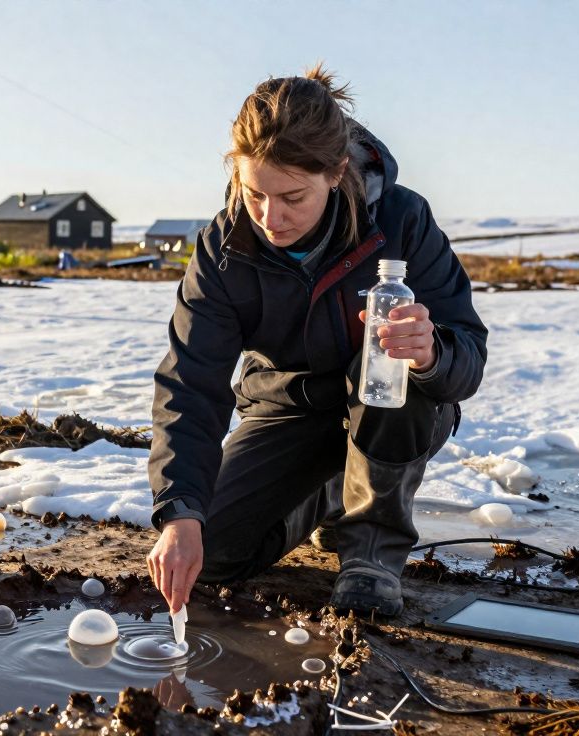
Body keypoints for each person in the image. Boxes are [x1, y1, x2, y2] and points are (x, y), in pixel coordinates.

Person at [145, 64, 488, 617]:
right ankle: (335, 490)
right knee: (212, 553)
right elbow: (191, 383)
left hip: (396, 410)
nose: (269, 217)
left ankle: (372, 553)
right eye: (253, 192)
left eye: (292, 197)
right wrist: (180, 512)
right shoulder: (223, 247)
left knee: (389, 370)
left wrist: (431, 353)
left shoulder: (402, 221)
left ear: (337, 172)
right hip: (288, 411)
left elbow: (467, 357)